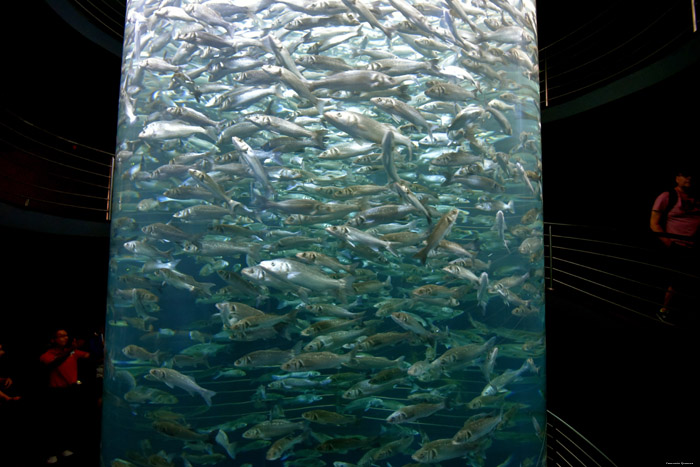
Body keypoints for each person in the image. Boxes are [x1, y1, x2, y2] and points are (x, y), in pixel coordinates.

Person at [650, 167, 700, 323]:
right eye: (685, 175)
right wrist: (670, 244)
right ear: (677, 177)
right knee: (675, 281)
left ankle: (680, 313)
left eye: (691, 175)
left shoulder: (697, 197)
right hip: (676, 247)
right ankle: (664, 310)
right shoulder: (667, 196)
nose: (689, 178)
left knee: (686, 282)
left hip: (694, 247)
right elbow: (654, 223)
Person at [39, 329, 91, 464]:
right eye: (61, 336)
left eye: (66, 335)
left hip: (71, 390)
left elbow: (89, 356)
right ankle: (51, 452)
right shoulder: (47, 354)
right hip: (56, 393)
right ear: (53, 339)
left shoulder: (73, 352)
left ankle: (64, 447)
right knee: (54, 423)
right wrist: (71, 349)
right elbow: (53, 364)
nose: (65, 338)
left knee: (68, 421)